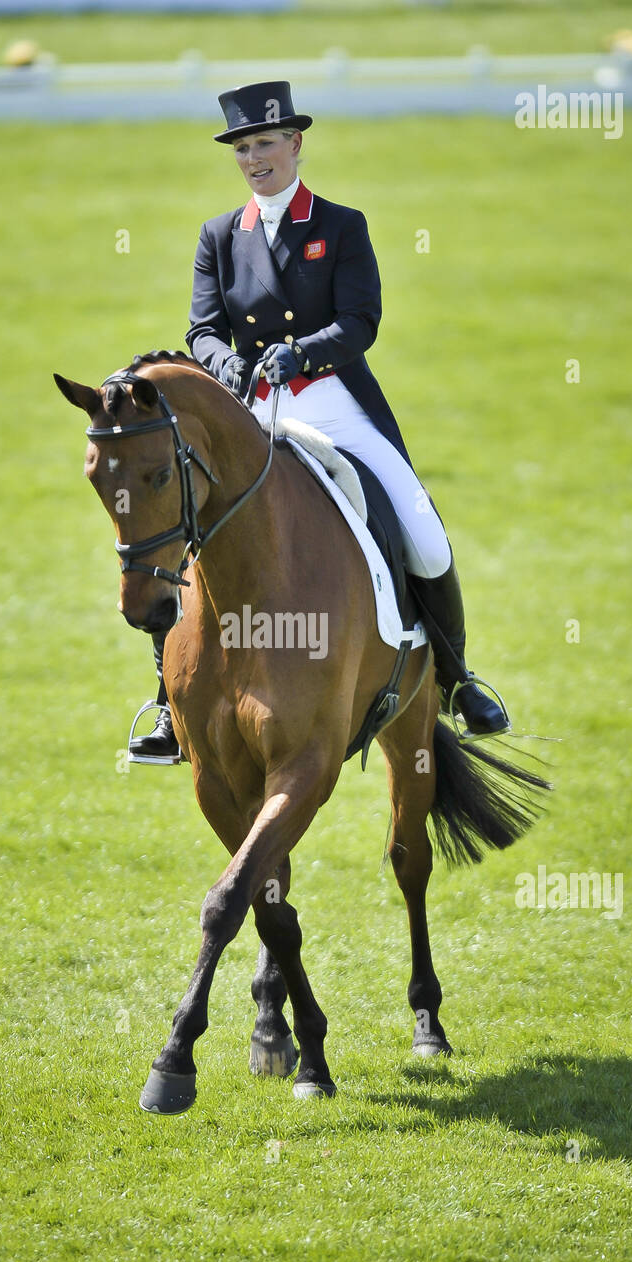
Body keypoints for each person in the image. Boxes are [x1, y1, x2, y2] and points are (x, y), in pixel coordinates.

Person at [128, 80, 509, 762]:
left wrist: (300, 351)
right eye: (243, 148)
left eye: (266, 143)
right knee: (181, 536)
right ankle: (166, 705)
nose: (254, 158)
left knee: (421, 532)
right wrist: (224, 364)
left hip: (329, 398)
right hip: (248, 407)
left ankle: (456, 682)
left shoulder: (340, 226)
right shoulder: (218, 235)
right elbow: (203, 326)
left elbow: (360, 321)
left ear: (295, 144)